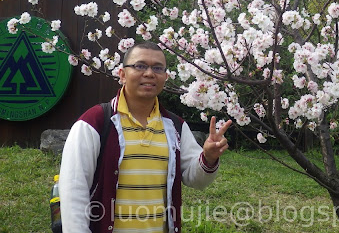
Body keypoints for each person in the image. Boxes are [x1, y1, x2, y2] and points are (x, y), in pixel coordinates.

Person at [59, 41, 231, 233]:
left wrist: (208, 157)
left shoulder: (175, 127)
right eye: (140, 66)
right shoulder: (95, 122)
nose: (149, 73)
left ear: (165, 77)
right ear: (122, 74)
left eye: (157, 68)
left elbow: (196, 180)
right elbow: (73, 190)